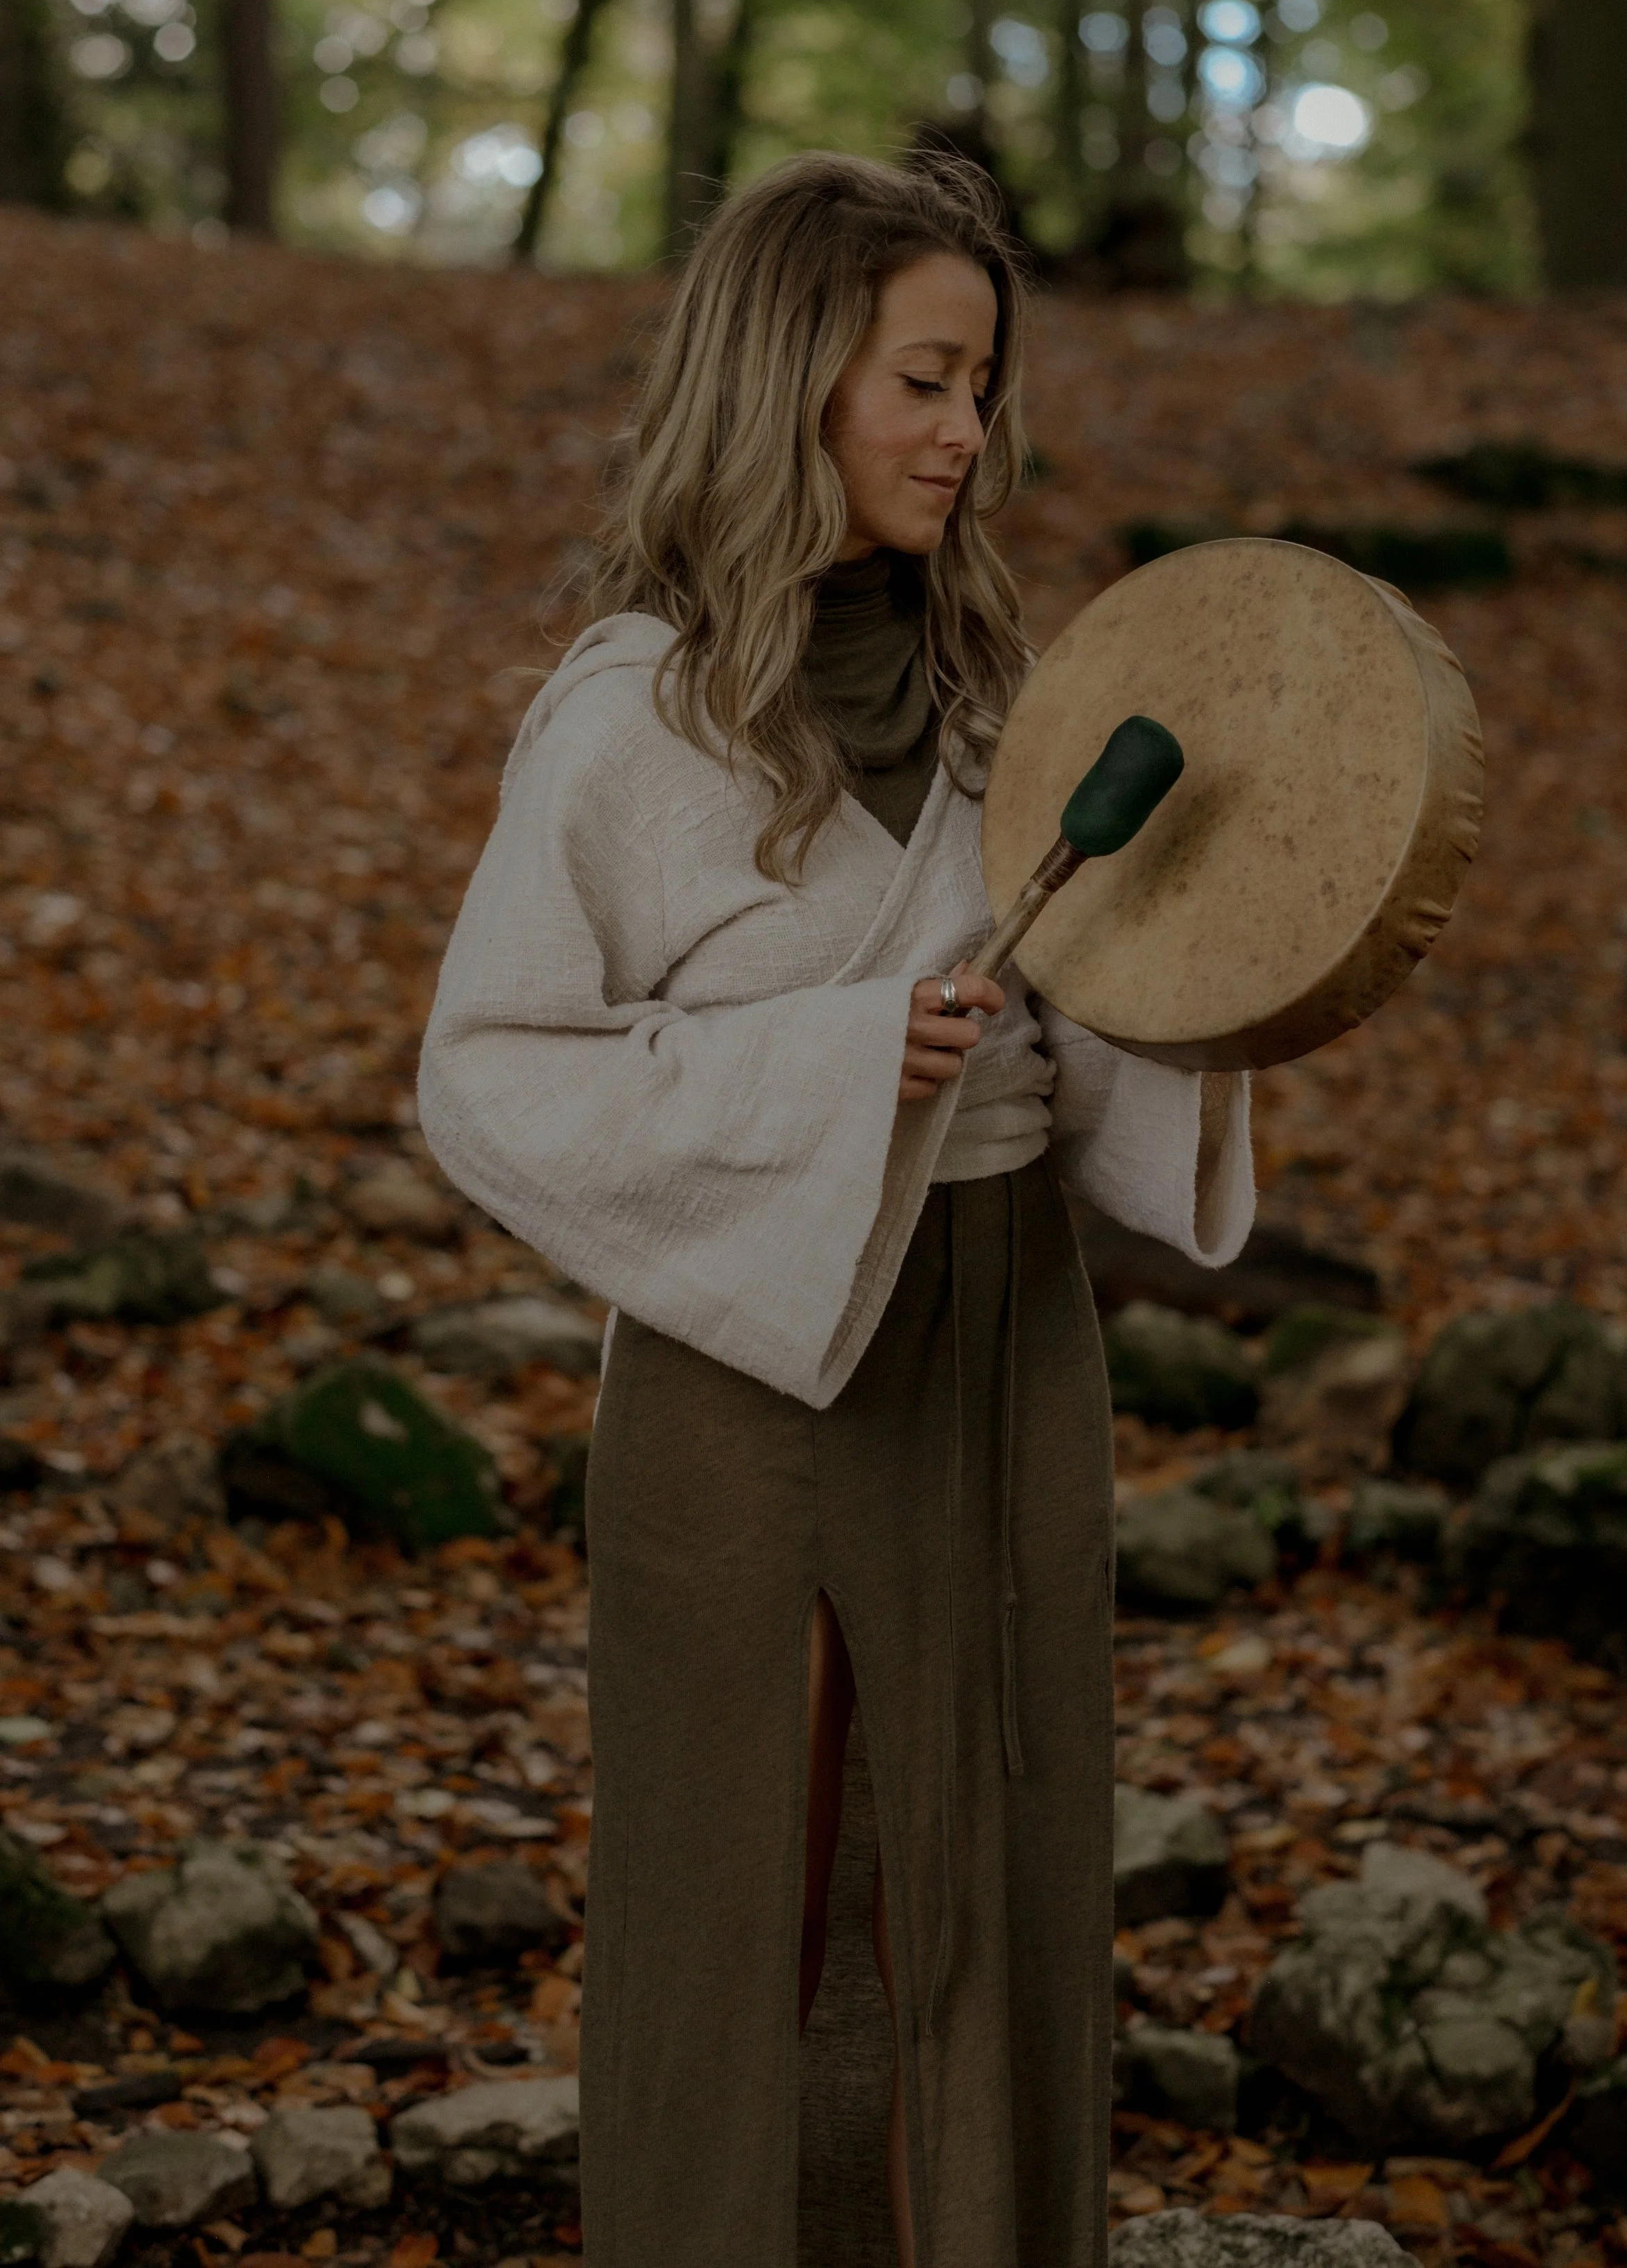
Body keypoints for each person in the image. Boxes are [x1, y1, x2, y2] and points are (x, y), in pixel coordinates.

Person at [418, 150, 1255, 2268]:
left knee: (987, 1865)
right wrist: (821, 1070)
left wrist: (1198, 989)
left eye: (984, 382)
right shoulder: (635, 717)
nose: (969, 432)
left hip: (999, 1337)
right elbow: (488, 1075)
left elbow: (1080, 1035)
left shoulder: (1012, 706)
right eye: (925, 378)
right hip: (751, 1375)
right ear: (794, 376)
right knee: (749, 1902)